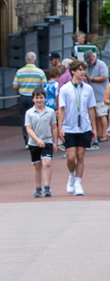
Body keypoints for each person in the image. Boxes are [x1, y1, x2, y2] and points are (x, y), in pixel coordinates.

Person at [58, 59, 98, 196]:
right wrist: (59, 128)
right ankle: (72, 175)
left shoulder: (88, 88)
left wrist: (94, 128)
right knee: (71, 157)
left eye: (84, 70)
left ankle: (78, 183)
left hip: (84, 127)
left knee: (80, 156)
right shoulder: (65, 89)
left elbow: (91, 109)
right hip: (69, 127)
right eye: (80, 70)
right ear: (73, 71)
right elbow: (61, 109)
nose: (83, 72)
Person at [25, 87, 57, 198]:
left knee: (47, 163)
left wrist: (55, 142)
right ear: (33, 99)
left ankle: (47, 187)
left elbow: (54, 127)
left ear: (45, 98)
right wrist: (37, 140)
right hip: (34, 142)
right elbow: (29, 129)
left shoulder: (50, 111)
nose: (39, 100)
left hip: (47, 140)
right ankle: (38, 188)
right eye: (37, 98)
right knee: (37, 165)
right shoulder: (29, 113)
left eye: (41, 97)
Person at [12, 52, 45, 147]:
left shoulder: (20, 71)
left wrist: (22, 85)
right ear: (34, 60)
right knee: (37, 118)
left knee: (25, 119)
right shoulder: (40, 72)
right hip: (35, 97)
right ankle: (36, 138)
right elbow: (44, 84)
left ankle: (27, 140)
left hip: (23, 97)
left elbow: (14, 86)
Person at [83, 51, 108, 146]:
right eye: (87, 61)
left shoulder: (101, 64)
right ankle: (97, 134)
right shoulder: (87, 66)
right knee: (96, 116)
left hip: (101, 93)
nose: (89, 62)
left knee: (102, 114)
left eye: (90, 60)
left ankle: (104, 134)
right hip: (92, 95)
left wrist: (92, 79)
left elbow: (104, 77)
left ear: (93, 56)